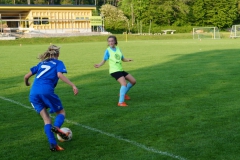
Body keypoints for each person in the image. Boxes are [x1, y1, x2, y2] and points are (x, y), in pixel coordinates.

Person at [24, 45, 78, 151]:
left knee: (46, 119)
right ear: (58, 54)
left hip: (33, 93)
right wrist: (73, 85)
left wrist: (27, 83)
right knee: (61, 112)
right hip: (46, 91)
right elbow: (59, 75)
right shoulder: (58, 62)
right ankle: (57, 127)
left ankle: (53, 144)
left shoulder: (41, 63)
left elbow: (26, 76)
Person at [94, 35, 136, 107]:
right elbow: (104, 60)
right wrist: (99, 65)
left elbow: (122, 58)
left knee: (133, 81)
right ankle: (121, 102)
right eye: (109, 41)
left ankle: (123, 93)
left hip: (120, 69)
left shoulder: (118, 48)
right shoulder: (108, 50)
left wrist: (128, 60)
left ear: (115, 41)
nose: (110, 42)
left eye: (112, 41)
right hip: (114, 71)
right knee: (124, 84)